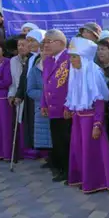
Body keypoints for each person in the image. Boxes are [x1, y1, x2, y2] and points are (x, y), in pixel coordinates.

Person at [65, 37, 109, 193]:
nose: (71, 60)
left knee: (92, 151)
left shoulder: (93, 72)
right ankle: (83, 177)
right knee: (79, 149)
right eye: (71, 56)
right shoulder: (75, 73)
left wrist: (97, 124)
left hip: (91, 120)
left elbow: (99, 101)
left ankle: (97, 181)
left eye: (74, 56)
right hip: (78, 119)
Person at [41, 29, 72, 182]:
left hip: (66, 108)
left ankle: (69, 171)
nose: (45, 45)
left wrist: (69, 106)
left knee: (67, 141)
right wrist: (43, 103)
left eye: (48, 41)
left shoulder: (70, 58)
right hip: (52, 108)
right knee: (57, 141)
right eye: (44, 42)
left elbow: (73, 85)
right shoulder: (48, 60)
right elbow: (45, 84)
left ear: (60, 42)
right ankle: (60, 169)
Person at [9, 37, 41, 160]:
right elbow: (24, 79)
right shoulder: (31, 59)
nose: (29, 44)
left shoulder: (43, 57)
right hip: (29, 97)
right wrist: (19, 95)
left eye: (33, 41)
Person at [21, 30, 52, 158]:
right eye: (43, 51)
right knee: (44, 136)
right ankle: (49, 160)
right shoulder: (35, 69)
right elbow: (30, 90)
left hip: (56, 106)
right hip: (41, 107)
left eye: (48, 51)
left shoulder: (60, 69)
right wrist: (46, 95)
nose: (46, 54)